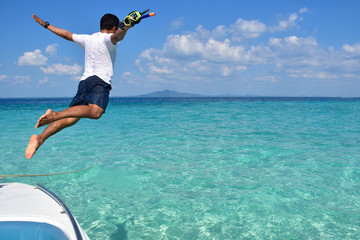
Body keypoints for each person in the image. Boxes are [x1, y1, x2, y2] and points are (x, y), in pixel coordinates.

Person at [25, 13, 139, 159]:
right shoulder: (108, 38)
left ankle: (39, 139)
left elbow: (66, 35)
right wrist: (127, 26)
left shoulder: (88, 38)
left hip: (84, 82)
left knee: (71, 118)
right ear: (114, 27)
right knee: (96, 112)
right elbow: (117, 36)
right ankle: (55, 114)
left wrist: (46, 25)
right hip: (99, 81)